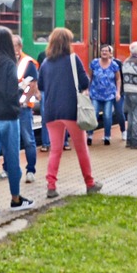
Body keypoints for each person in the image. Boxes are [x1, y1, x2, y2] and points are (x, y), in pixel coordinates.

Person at [37, 28, 102, 199]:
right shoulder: (73, 59)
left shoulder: (45, 63)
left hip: (51, 112)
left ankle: (51, 186)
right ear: (67, 43)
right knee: (81, 148)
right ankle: (90, 183)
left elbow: (41, 86)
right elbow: (84, 82)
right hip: (71, 110)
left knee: (55, 150)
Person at [0, 27, 34, 215]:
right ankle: (15, 199)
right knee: (12, 158)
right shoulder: (10, 63)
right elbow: (9, 92)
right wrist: (22, 87)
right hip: (8, 117)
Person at [12, 35, 40, 182]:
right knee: (10, 140)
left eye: (13, 45)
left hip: (23, 108)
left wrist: (25, 101)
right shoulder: (6, 60)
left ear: (19, 47)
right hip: (9, 107)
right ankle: (7, 168)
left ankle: (30, 170)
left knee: (28, 139)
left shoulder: (27, 62)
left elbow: (33, 84)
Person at [88, 44, 122, 145]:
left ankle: (107, 136)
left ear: (109, 53)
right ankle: (89, 135)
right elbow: (89, 77)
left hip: (109, 95)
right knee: (94, 114)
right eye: (102, 51)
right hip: (95, 94)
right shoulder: (94, 63)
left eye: (106, 51)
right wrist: (87, 90)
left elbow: (118, 79)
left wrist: (118, 92)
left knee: (107, 115)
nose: (104, 52)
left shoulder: (114, 65)